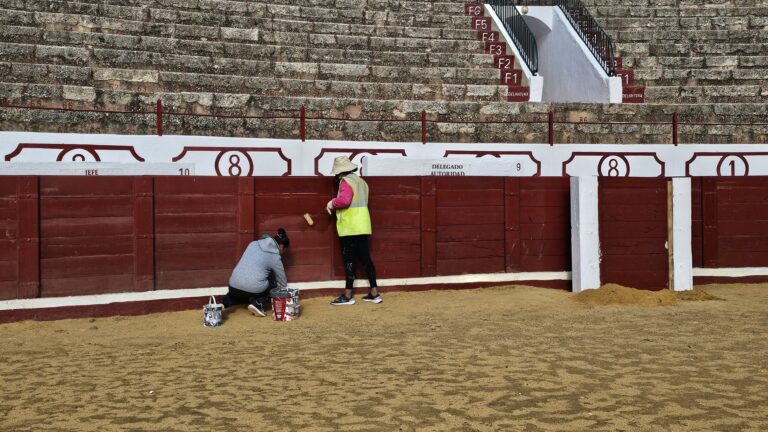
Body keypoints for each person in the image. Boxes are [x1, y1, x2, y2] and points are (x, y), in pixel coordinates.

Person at [325, 156, 381, 305]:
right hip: (363, 225)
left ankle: (348, 296)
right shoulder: (361, 182)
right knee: (365, 259)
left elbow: (344, 200)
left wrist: (332, 203)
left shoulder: (346, 182)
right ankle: (374, 293)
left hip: (350, 226)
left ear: (340, 173)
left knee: (349, 260)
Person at [221, 228, 290, 317]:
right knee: (275, 285)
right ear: (281, 246)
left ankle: (222, 303)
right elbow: (282, 282)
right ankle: (258, 303)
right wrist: (283, 291)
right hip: (253, 290)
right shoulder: (275, 257)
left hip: (233, 286)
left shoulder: (253, 244)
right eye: (284, 250)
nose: (282, 253)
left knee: (234, 294)